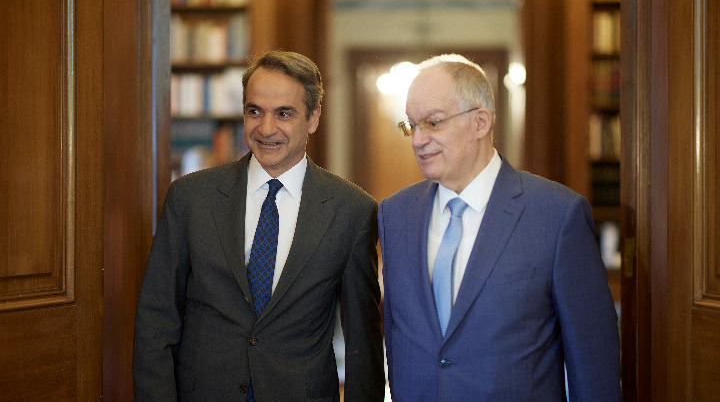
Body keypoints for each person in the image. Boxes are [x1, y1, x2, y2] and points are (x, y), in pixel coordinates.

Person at [133, 51, 385, 402]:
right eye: (255, 111)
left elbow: (362, 343)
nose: (266, 129)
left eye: (284, 113)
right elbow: (156, 319)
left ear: (313, 118)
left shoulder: (352, 210)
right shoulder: (190, 198)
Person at [378, 54, 622, 401]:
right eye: (412, 125)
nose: (417, 139)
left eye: (433, 122)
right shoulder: (395, 214)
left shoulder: (556, 214)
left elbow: (593, 366)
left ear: (480, 122)